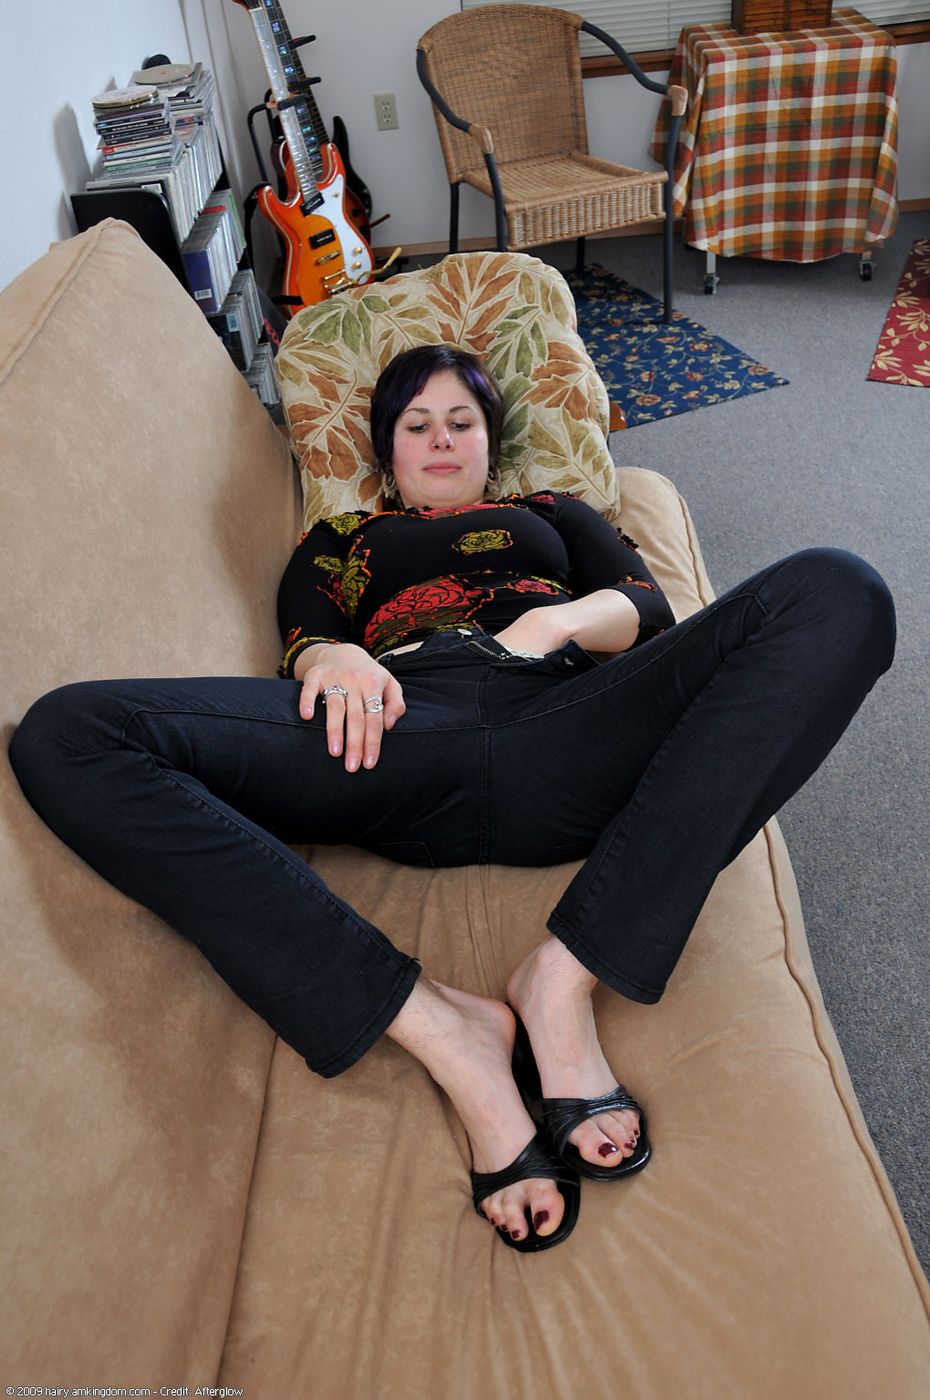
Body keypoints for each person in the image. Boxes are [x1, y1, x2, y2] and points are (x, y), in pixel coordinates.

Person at [8, 343, 896, 1255]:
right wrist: (333, 657)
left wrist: (551, 622)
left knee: (840, 590)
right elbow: (305, 630)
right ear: (387, 450)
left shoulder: (553, 511)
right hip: (393, 735)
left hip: (570, 723)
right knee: (68, 734)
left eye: (461, 422)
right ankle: (441, 1027)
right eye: (417, 424)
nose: (440, 439)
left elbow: (645, 606)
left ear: (490, 441)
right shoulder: (343, 537)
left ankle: (562, 978)